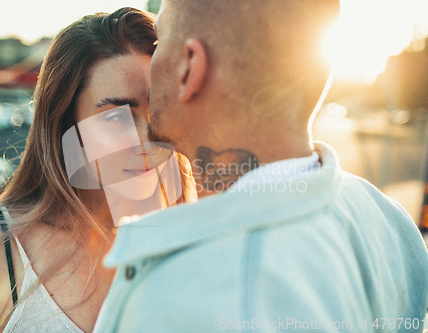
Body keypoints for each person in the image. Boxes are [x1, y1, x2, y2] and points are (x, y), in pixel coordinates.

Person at [93, 0, 428, 332]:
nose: (149, 67)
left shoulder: (193, 296)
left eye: (159, 41)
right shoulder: (387, 217)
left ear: (189, 67)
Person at [0, 7, 195, 333]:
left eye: (158, 110)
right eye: (116, 118)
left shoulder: (195, 232)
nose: (148, 140)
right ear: (66, 125)